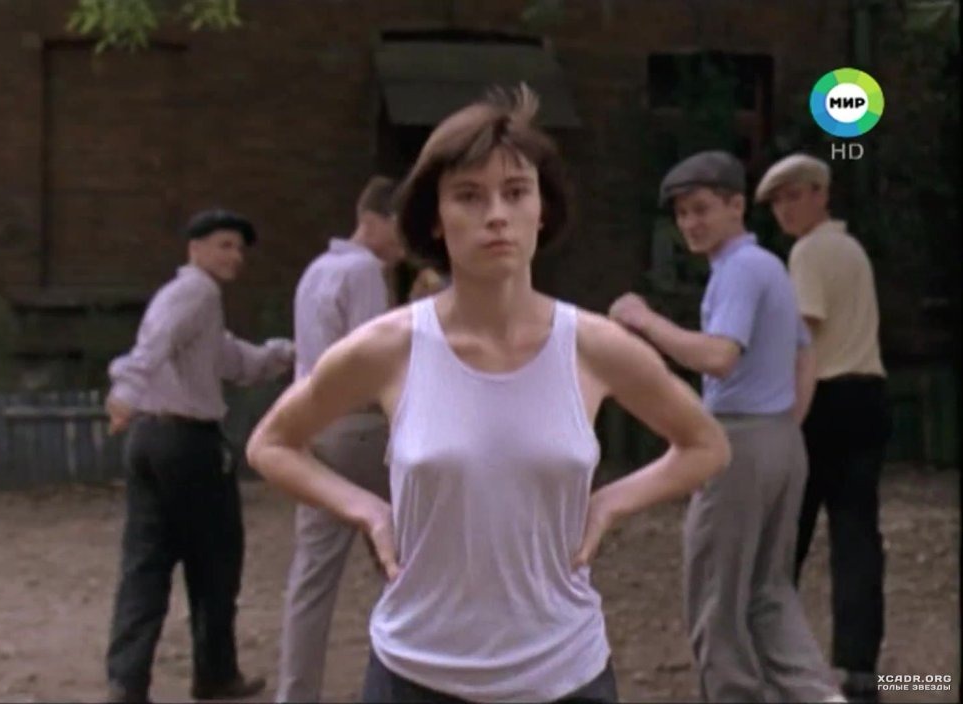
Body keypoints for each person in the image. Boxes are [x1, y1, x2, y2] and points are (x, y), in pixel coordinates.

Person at [246, 85, 731, 703]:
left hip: (563, 672)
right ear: (435, 218)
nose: (496, 214)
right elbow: (271, 443)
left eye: (516, 192)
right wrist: (367, 511)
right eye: (469, 196)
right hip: (415, 671)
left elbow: (705, 445)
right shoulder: (389, 347)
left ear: (542, 210)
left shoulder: (595, 346)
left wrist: (610, 504)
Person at [609, 150, 846, 703]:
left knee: (716, 593)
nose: (690, 223)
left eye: (702, 209)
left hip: (739, 437)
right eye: (682, 214)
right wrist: (784, 427)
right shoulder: (770, 266)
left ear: (736, 206)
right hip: (780, 439)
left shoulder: (740, 270)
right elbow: (805, 355)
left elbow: (719, 357)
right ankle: (819, 695)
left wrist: (644, 321)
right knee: (768, 592)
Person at [103, 208, 294, 703]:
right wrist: (126, 389)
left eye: (239, 249)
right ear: (196, 249)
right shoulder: (196, 292)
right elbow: (155, 342)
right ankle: (214, 672)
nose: (235, 257)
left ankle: (127, 681)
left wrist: (283, 354)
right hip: (187, 442)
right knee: (215, 560)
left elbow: (231, 359)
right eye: (224, 245)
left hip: (150, 439)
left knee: (145, 562)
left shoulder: (196, 305)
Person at [756, 153, 888, 703]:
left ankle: (772, 656)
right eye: (777, 202)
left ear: (820, 194)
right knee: (856, 534)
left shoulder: (808, 253)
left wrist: (783, 413)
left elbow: (802, 336)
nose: (785, 210)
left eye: (794, 196)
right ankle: (858, 668)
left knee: (788, 531)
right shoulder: (851, 249)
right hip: (869, 392)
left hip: (825, 396)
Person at [276, 175, 406, 702]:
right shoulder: (365, 272)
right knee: (406, 562)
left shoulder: (317, 270)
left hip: (314, 428)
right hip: (361, 429)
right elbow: (375, 360)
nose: (405, 244)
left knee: (312, 578)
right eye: (401, 229)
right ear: (375, 221)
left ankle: (296, 693)